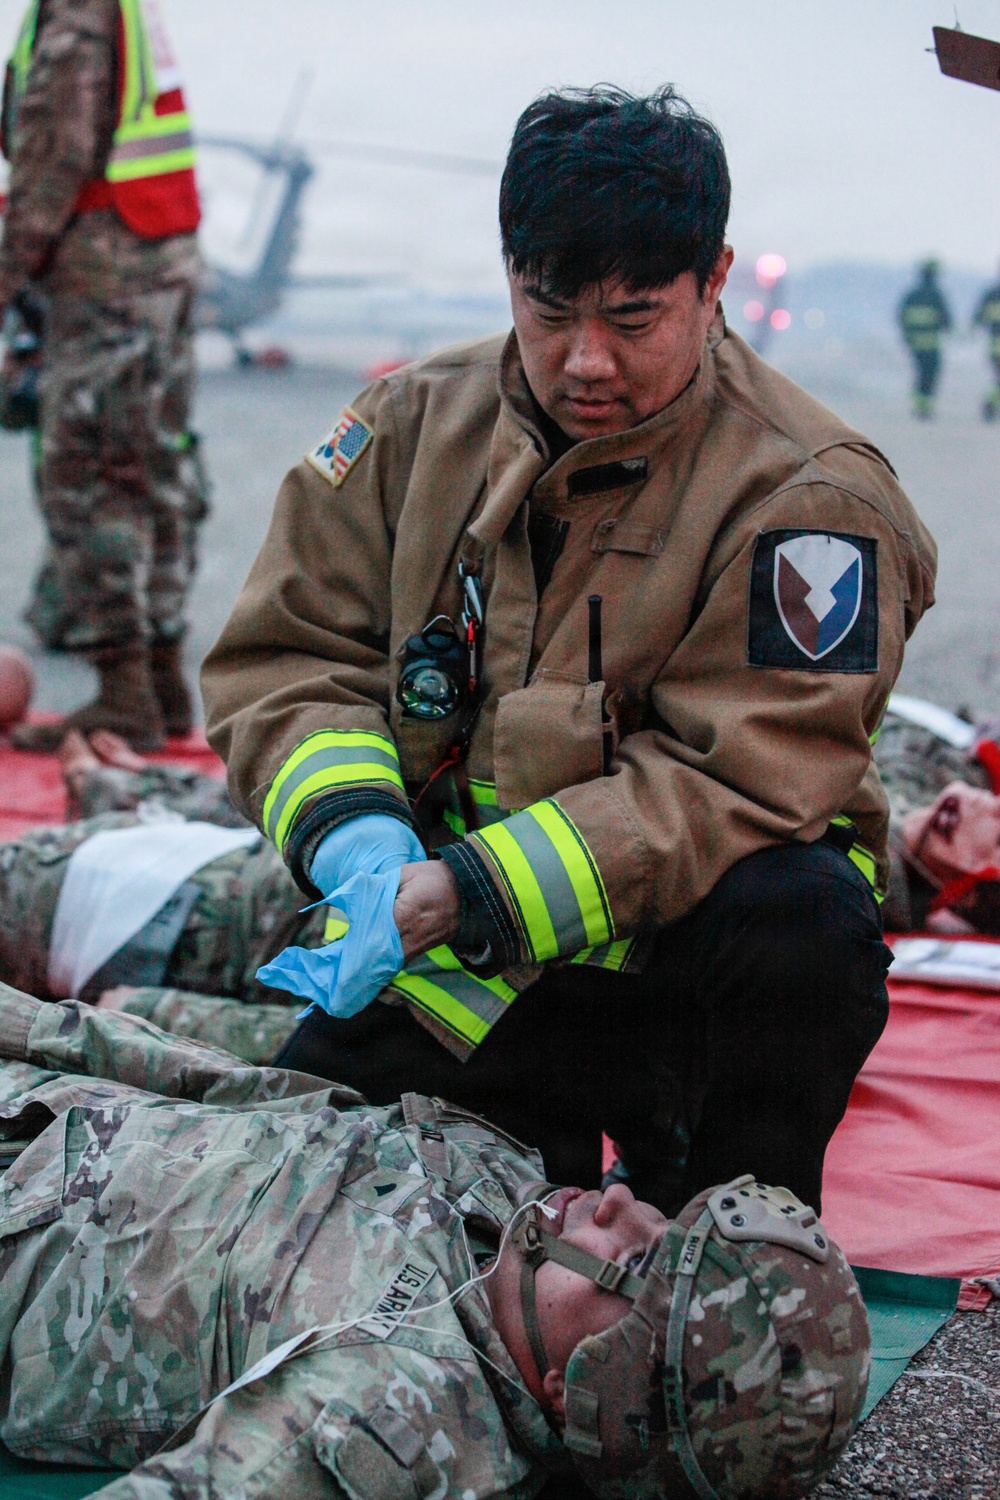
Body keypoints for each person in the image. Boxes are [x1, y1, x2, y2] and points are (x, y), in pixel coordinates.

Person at [203, 86, 936, 1216]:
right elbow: (288, 658)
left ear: (714, 280)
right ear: (509, 273)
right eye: (548, 311)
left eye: (634, 319)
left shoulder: (812, 498)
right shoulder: (406, 430)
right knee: (304, 1211)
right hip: (471, 965)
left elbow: (740, 773)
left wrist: (468, 890)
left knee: (804, 921)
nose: (585, 360)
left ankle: (728, 1208)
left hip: (686, 972)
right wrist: (356, 834)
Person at [0, 983, 869, 1499]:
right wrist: (35, 1026)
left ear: (578, 1393)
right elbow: (245, 1094)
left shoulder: (397, 1412)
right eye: (665, 1221)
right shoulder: (504, 1200)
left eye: (638, 1261)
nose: (621, 1206)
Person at [0, 0, 206, 753]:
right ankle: (160, 682)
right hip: (159, 270)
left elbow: (51, 165)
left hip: (106, 280)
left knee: (88, 484)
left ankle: (125, 696)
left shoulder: (75, 17)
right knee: (157, 471)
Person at [0, 731, 312, 1061]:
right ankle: (100, 786)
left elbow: (324, 1042)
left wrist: (153, 1010)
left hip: (151, 926)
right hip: (171, 856)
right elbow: (273, 815)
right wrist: (142, 779)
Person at [897, 260, 951, 420]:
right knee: (930, 374)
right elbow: (947, 320)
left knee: (920, 373)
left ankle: (919, 405)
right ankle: (924, 406)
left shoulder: (911, 295)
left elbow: (901, 318)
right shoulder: (937, 295)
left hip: (915, 345)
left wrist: (907, 338)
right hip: (931, 344)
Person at [973, 265, 1000, 422]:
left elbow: (978, 318)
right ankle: (989, 404)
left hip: (994, 346)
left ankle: (990, 403)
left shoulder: (991, 295)